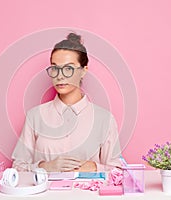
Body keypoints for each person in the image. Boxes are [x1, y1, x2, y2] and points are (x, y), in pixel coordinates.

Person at [12, 33, 121, 172]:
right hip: (46, 193)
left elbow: (117, 171)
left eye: (68, 68)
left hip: (86, 193)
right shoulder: (35, 116)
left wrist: (93, 167)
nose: (60, 75)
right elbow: (17, 167)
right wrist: (45, 167)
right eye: (55, 68)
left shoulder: (104, 119)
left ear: (83, 71)